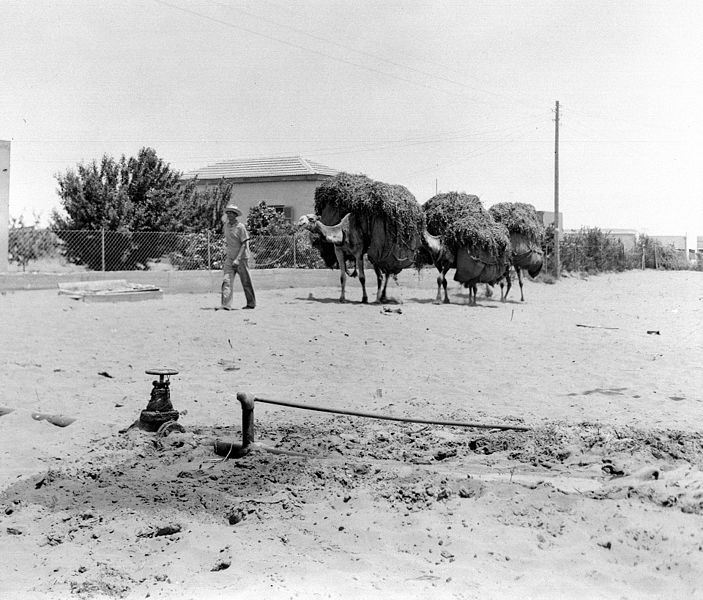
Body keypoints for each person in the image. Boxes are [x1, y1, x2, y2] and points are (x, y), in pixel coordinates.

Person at [221, 204, 256, 310]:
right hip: (230, 258)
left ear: (235, 215)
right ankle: (226, 305)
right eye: (228, 212)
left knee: (246, 281)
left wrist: (238, 259)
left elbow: (244, 243)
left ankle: (251, 303)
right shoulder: (226, 226)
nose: (229, 214)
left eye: (231, 213)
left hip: (241, 259)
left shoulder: (241, 227)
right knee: (226, 280)